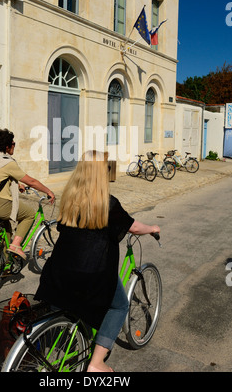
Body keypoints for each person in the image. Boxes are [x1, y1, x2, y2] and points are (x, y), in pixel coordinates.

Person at [34, 150, 160, 372]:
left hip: (59, 271)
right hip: (92, 276)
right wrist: (152, 229)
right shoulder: (108, 204)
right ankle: (96, 363)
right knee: (119, 305)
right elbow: (134, 227)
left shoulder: (70, 199)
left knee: (63, 305)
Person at [0, 129, 55, 260]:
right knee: (30, 214)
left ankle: (5, 265)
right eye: (13, 143)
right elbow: (31, 181)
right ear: (8, 146)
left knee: (7, 232)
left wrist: (16, 185)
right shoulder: (8, 162)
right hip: (0, 206)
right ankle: (16, 245)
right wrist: (48, 191)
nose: (14, 146)